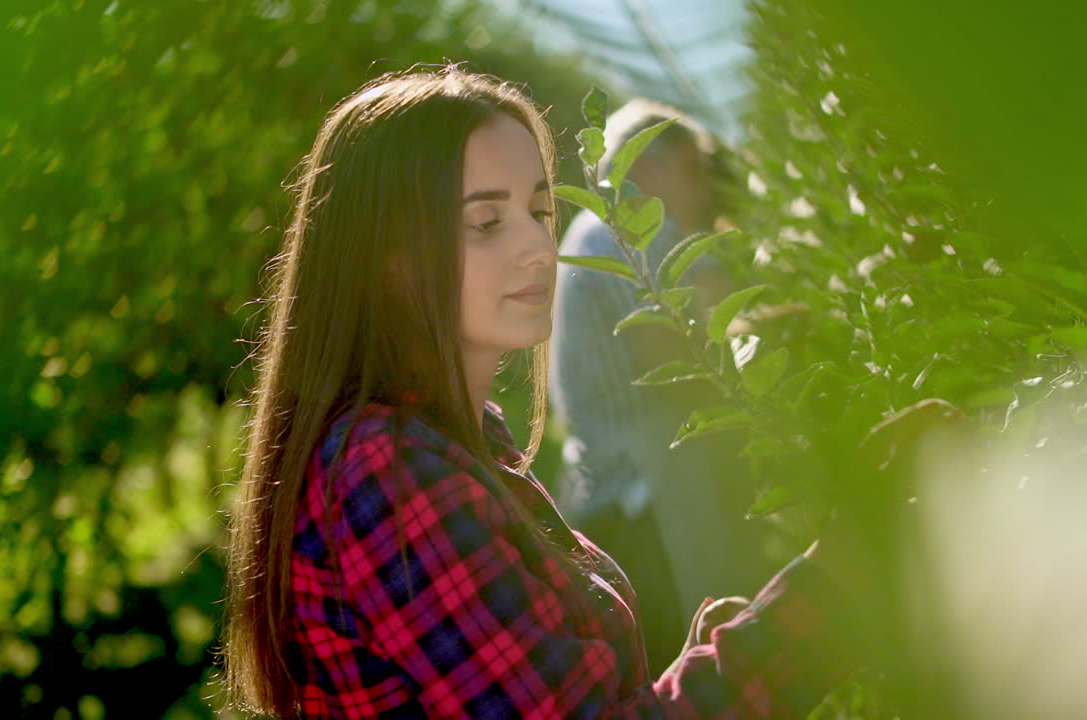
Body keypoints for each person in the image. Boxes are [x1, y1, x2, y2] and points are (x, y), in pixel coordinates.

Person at [220, 65, 857, 719]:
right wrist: (836, 587)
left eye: (538, 210)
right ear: (387, 254)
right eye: (486, 222)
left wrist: (709, 651)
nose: (537, 247)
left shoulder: (462, 442)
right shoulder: (387, 470)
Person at [550, 99, 767, 668]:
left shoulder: (601, 232)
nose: (704, 191)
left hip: (615, 490)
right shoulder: (625, 232)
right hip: (639, 508)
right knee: (683, 667)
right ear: (651, 166)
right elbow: (682, 359)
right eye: (695, 171)